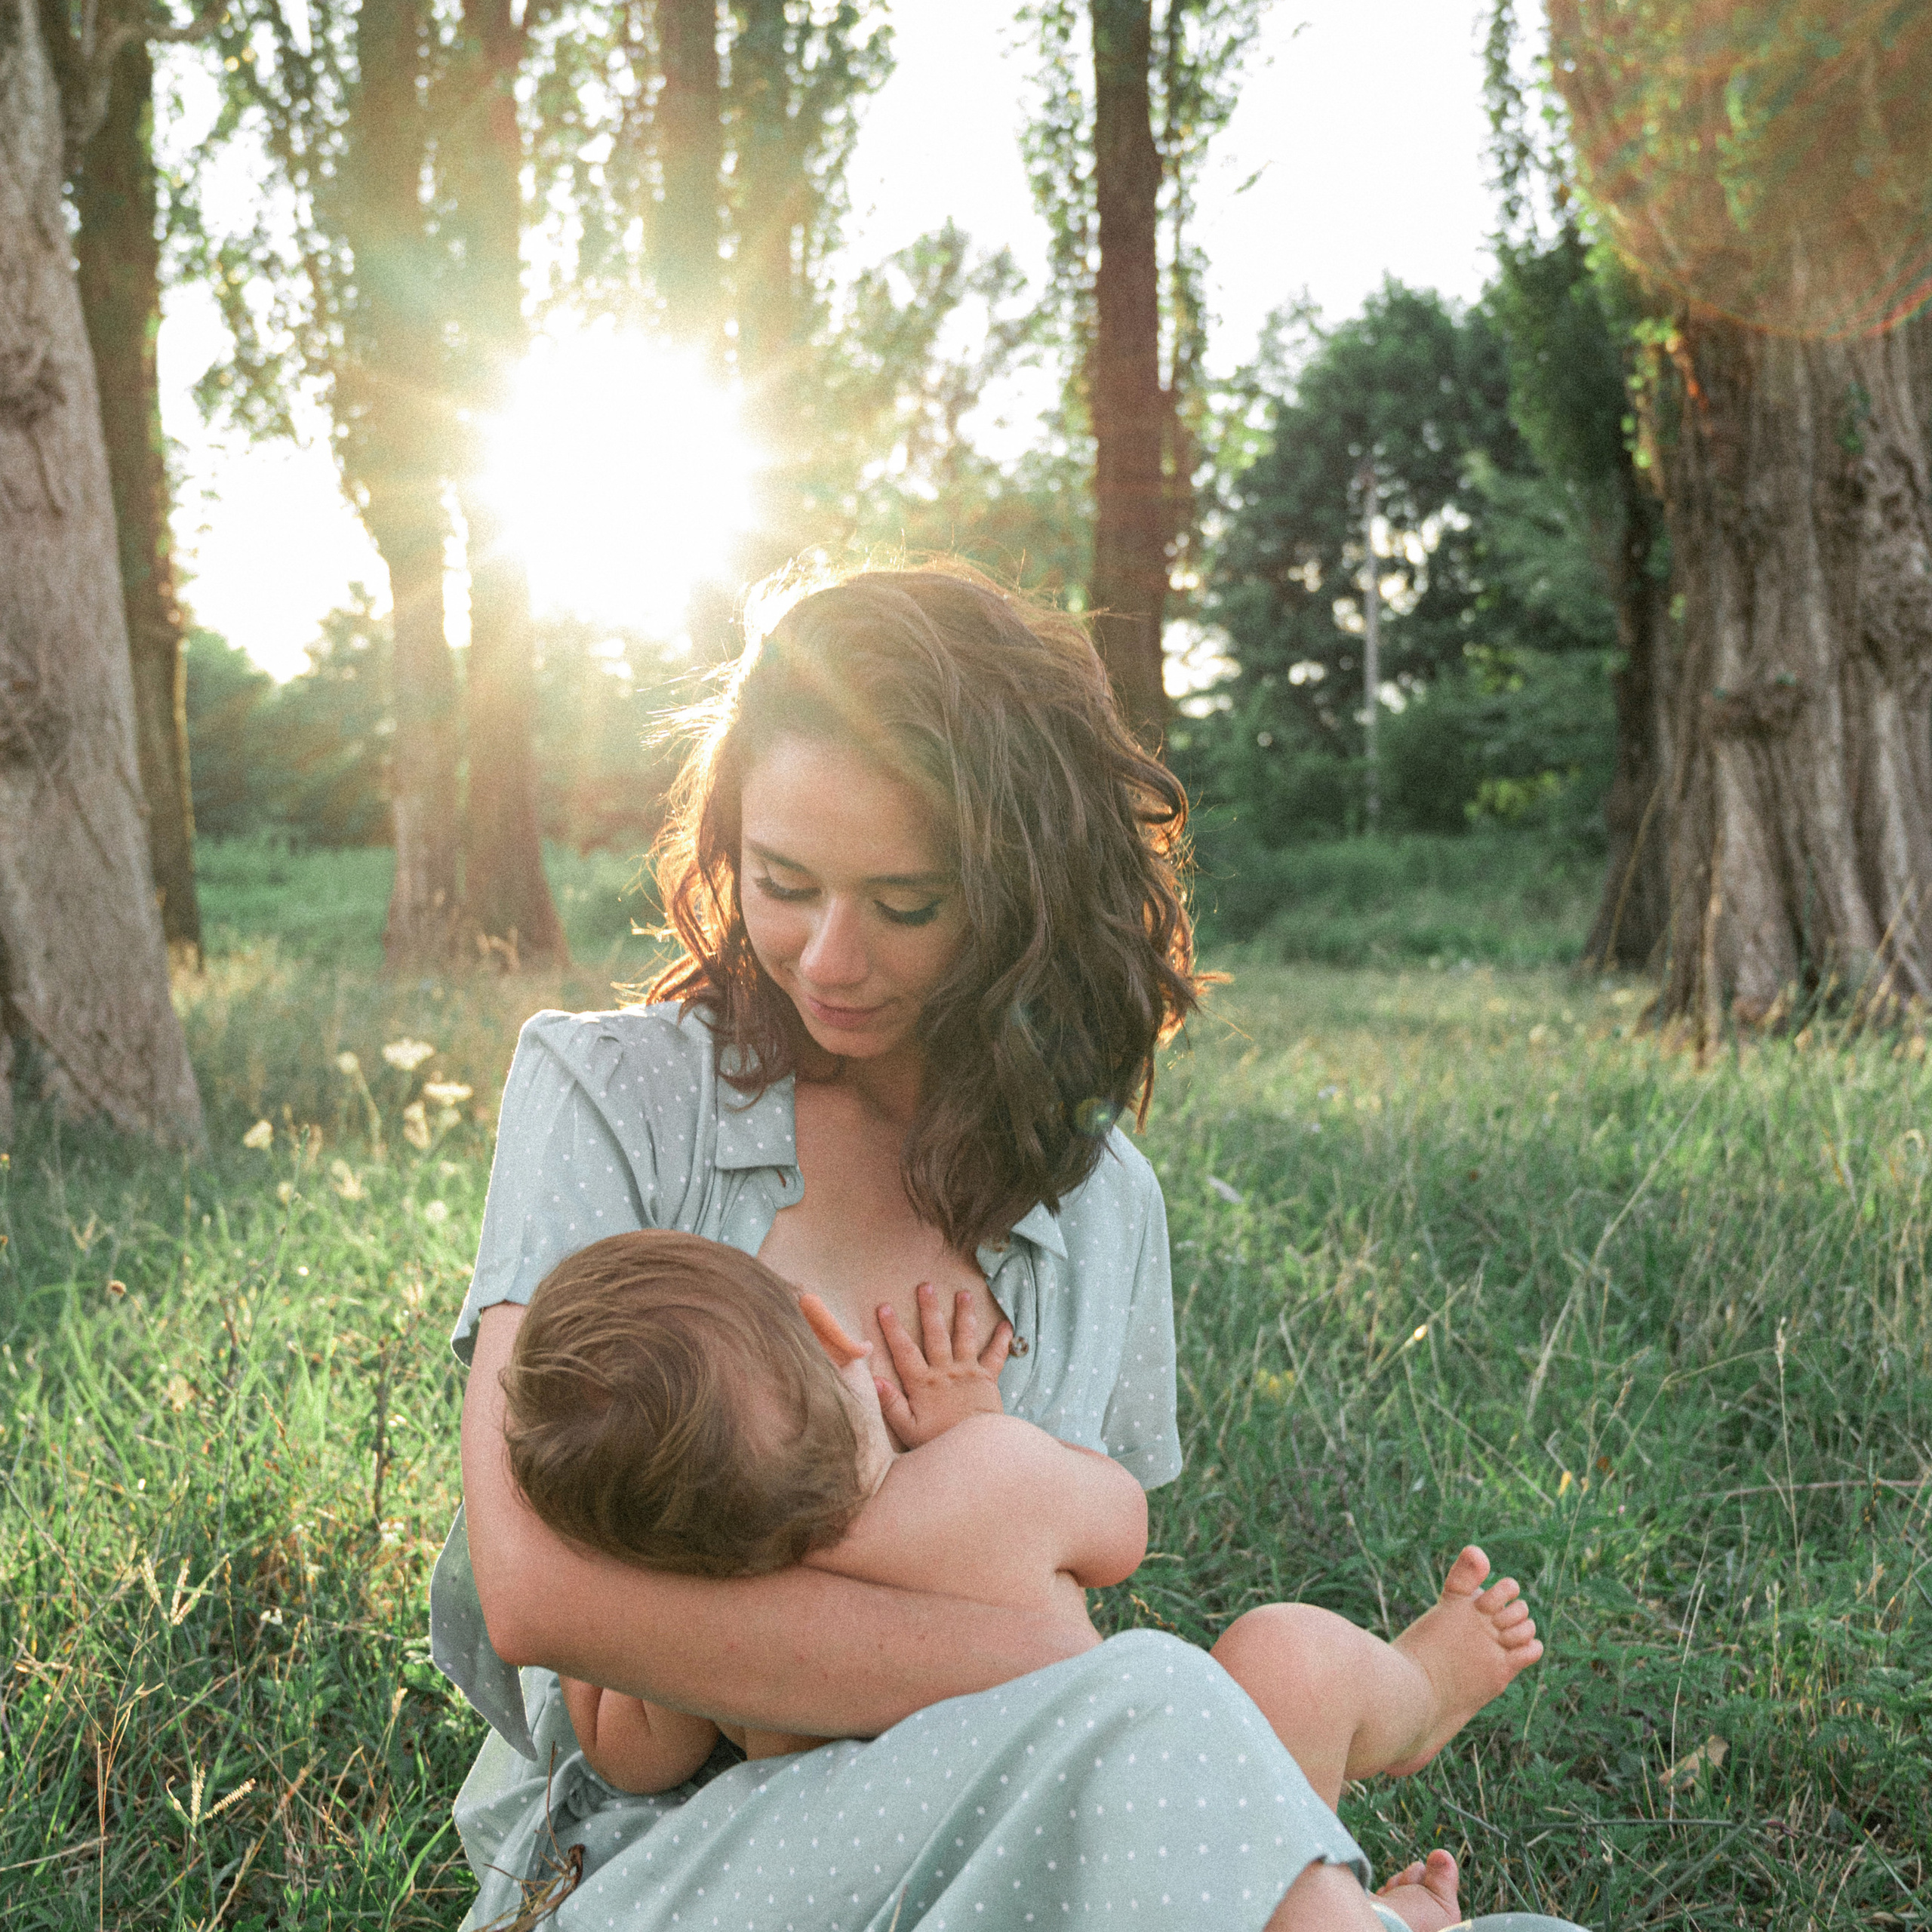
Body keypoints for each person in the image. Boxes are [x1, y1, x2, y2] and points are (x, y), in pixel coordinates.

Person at [432, 561, 1583, 1932]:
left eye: (907, 903)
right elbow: (538, 1594)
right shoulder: (614, 1097)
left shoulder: (1097, 1206)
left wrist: (1033, 1674)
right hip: (659, 1879)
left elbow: (1097, 1554)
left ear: (1026, 897)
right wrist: (1037, 1666)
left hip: (1000, 1848)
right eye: (784, 883)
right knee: (1159, 1699)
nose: (829, 959)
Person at [500, 1227, 1546, 1812]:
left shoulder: (723, 1632)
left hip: (979, 1897)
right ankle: (1422, 1695)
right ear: (829, 1331)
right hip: (1142, 1838)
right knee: (1288, 1662)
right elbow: (1122, 1530)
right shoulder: (985, 1479)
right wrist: (980, 1423)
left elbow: (631, 1758)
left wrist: (612, 1624)